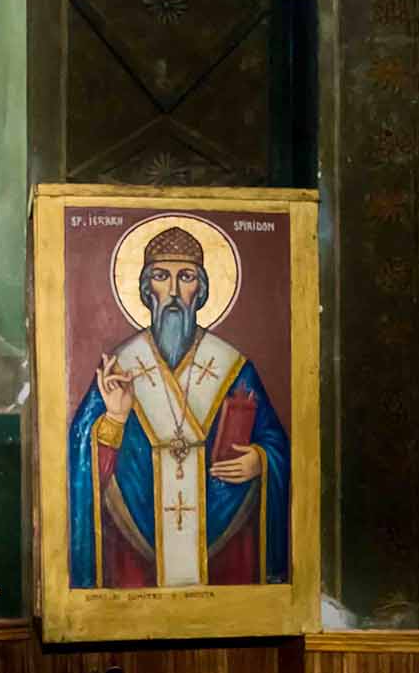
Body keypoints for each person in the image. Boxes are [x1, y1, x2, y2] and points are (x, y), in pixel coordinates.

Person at [64, 222, 291, 589]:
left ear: (199, 291)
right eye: (160, 276)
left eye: (185, 277)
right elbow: (79, 458)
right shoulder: (120, 367)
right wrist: (116, 418)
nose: (172, 291)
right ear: (145, 289)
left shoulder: (233, 367)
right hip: (136, 544)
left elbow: (278, 446)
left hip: (222, 537)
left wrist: (261, 461)